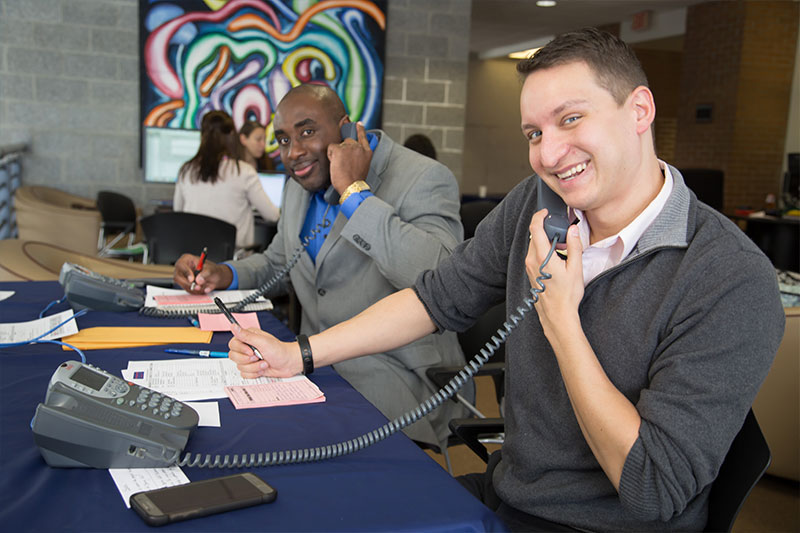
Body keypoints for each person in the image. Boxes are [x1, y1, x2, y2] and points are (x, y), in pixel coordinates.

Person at [225, 29, 785, 531]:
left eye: (570, 119)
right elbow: (436, 298)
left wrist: (561, 320)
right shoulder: (536, 208)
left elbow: (653, 488)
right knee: (313, 509)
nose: (548, 154)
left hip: (596, 526)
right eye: (533, 132)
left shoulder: (730, 278)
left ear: (639, 110)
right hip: (507, 497)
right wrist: (297, 355)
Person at [174, 84, 471, 448]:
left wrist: (354, 194)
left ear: (346, 130)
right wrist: (225, 274)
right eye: (283, 140)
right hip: (310, 365)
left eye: (308, 131)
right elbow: (279, 263)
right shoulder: (299, 186)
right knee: (235, 438)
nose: (294, 152)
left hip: (397, 375)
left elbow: (444, 280)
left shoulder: (423, 177)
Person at [174, 110, 279, 251]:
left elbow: (178, 213)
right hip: (233, 262)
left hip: (196, 259)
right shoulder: (244, 172)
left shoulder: (186, 171)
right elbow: (272, 216)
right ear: (232, 136)